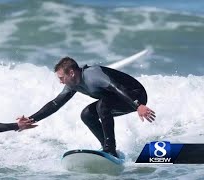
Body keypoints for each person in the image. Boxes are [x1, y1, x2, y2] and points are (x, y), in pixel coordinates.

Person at [17, 57, 155, 157]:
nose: (60, 82)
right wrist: (31, 119)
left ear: (71, 73)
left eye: (61, 78)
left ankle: (110, 150)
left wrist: (138, 105)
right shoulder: (73, 85)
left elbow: (116, 87)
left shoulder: (92, 74)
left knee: (102, 106)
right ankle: (107, 150)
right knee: (87, 115)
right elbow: (55, 104)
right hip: (118, 99)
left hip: (135, 95)